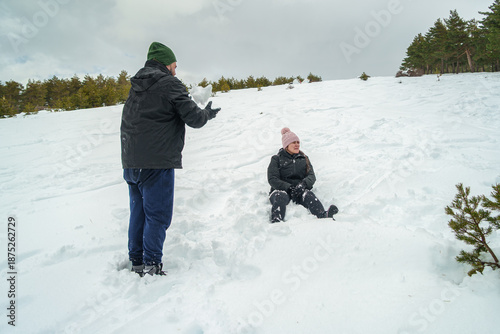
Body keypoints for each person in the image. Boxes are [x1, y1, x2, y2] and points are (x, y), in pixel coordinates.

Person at [120, 42, 221, 276]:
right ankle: (152, 264)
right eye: (174, 65)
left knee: (139, 213)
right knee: (157, 215)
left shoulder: (136, 85)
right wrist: (207, 112)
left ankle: (136, 261)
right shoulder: (168, 83)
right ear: (166, 63)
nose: (176, 70)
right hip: (156, 163)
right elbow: (194, 118)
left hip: (131, 162)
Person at [267, 127, 338, 223]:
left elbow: (311, 176)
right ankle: (276, 220)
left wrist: (304, 184)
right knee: (280, 196)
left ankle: (323, 215)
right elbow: (272, 178)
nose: (297, 145)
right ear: (286, 145)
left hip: (299, 190)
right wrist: (288, 187)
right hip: (281, 189)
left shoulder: (304, 159)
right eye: (294, 142)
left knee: (308, 195)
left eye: (298, 142)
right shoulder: (276, 159)